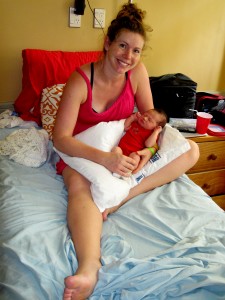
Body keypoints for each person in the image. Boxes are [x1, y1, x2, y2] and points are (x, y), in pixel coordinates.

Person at [53, 3, 199, 300]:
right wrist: (106, 159)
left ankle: (121, 199)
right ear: (107, 44)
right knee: (82, 185)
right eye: (122, 46)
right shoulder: (80, 80)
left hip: (126, 151)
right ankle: (90, 267)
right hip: (84, 152)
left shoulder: (137, 73)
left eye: (135, 51)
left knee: (192, 150)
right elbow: (61, 139)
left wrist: (150, 150)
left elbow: (152, 120)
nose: (128, 57)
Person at [112, 108, 167, 173]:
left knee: (136, 158)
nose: (145, 118)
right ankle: (116, 165)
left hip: (133, 153)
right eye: (145, 115)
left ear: (156, 127)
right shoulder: (136, 123)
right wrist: (132, 118)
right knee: (116, 149)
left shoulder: (152, 134)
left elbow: (148, 144)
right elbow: (125, 127)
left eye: (149, 120)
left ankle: (127, 171)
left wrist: (156, 132)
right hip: (121, 150)